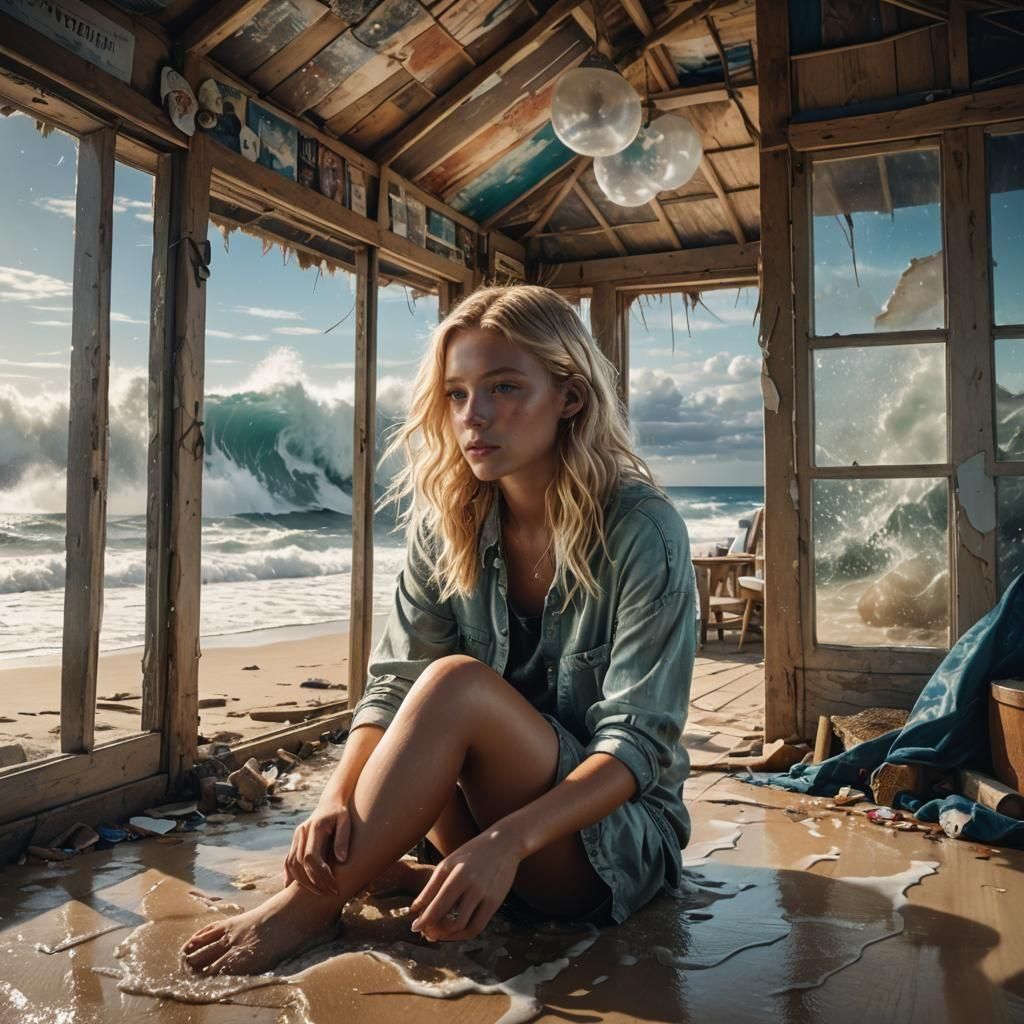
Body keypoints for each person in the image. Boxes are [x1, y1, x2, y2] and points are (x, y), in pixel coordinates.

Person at [181, 284, 696, 976]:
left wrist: (506, 843)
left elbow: (637, 747)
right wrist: (335, 799)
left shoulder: (642, 531)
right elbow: (392, 689)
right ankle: (389, 878)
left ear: (569, 396)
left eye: (504, 387)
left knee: (455, 682)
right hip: (490, 829)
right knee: (426, 692)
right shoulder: (448, 520)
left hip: (603, 847)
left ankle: (305, 908)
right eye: (456, 394)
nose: (474, 415)